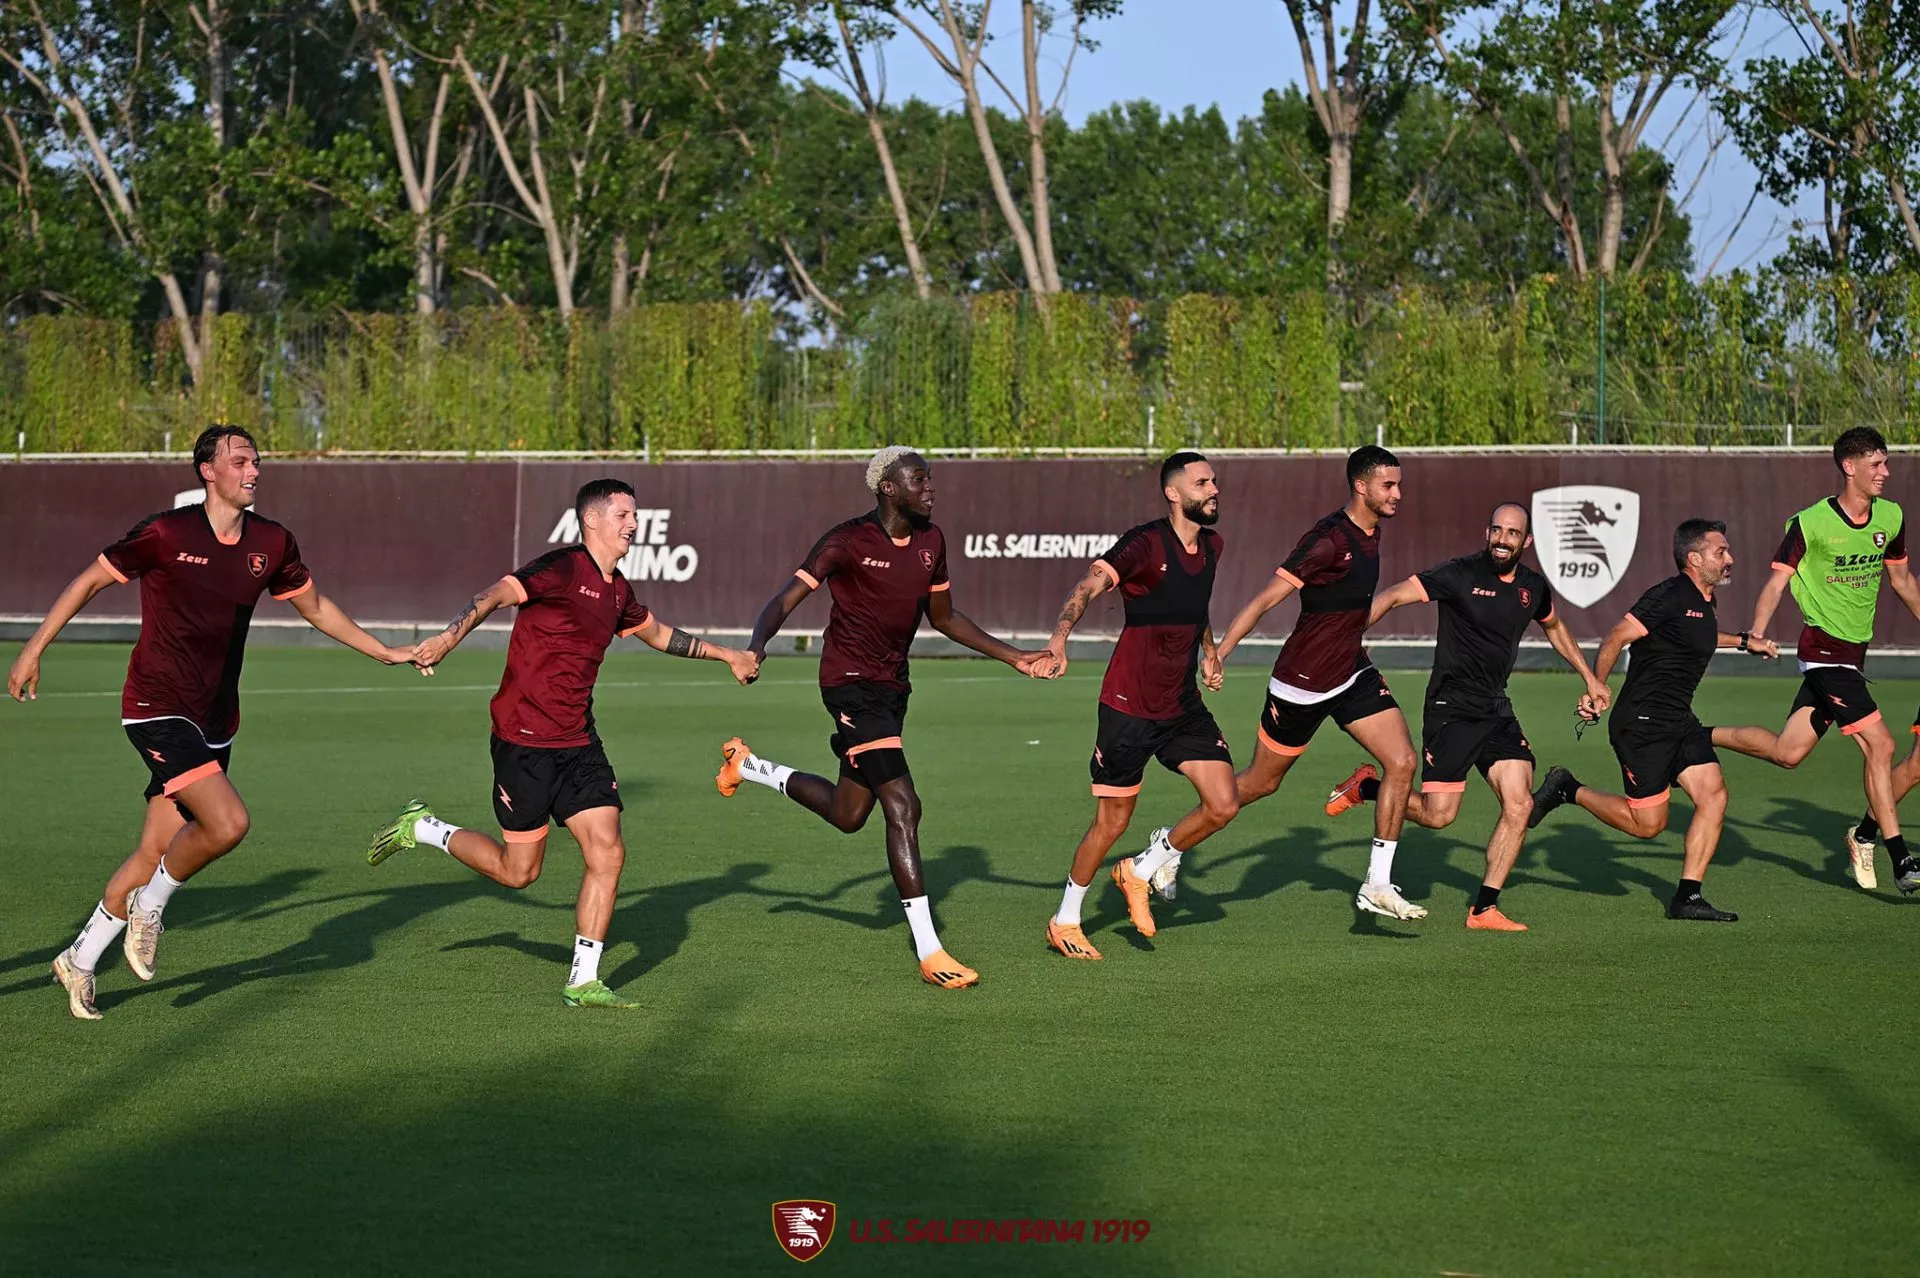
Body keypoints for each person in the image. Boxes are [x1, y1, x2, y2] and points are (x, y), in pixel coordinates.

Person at [6, 424, 415, 1020]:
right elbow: (91, 579)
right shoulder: (166, 533)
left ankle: (80, 958)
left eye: (257, 462)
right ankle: (152, 906)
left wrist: (386, 652)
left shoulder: (273, 542)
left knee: (153, 851)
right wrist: (32, 649)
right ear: (208, 470)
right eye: (241, 460)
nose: (254, 471)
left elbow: (316, 607)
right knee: (227, 823)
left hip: (215, 718)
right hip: (155, 706)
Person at [364, 479, 758, 1008]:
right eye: (623, 515)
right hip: (523, 741)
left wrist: (727, 655)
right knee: (518, 872)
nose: (633, 525)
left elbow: (660, 633)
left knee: (608, 851)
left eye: (634, 516)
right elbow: (496, 594)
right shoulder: (563, 567)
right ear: (592, 520)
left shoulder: (618, 589)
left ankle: (583, 980)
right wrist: (446, 638)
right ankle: (426, 827)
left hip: (578, 743)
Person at [715, 447, 1055, 990]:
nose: (930, 487)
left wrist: (1015, 657)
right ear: (887, 487)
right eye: (919, 479)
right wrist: (755, 646)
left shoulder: (932, 541)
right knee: (904, 805)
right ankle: (930, 949)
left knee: (850, 814)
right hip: (848, 685)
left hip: (893, 690)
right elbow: (785, 598)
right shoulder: (846, 541)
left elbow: (944, 617)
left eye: (930, 478)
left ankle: (750, 767)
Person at [1160, 445, 1427, 921]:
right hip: (1301, 684)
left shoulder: (1372, 531)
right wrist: (1218, 653)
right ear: (1361, 486)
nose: (1398, 494)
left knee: (1402, 761)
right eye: (1389, 485)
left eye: (1399, 485)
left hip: (1352, 672)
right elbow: (1266, 601)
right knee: (1261, 784)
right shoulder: (1326, 540)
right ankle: (1167, 847)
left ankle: (1377, 883)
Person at [1357, 503, 1612, 930]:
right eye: (1496, 530)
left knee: (1520, 803)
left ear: (1525, 542)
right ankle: (1369, 788)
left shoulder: (1533, 586)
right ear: (1486, 532)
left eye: (1512, 533)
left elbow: (1553, 626)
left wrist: (1589, 676)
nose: (1502, 539)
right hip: (1451, 708)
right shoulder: (1460, 573)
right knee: (1439, 816)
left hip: (1495, 707)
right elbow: (1398, 594)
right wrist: (1350, 632)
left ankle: (1484, 909)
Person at [1529, 519, 1780, 921]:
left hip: (1678, 720)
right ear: (1694, 559)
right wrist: (1597, 685)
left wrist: (1745, 642)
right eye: (1721, 552)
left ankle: (1688, 898)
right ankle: (1567, 789)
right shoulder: (1669, 595)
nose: (1730, 558)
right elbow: (1616, 637)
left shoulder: (1705, 601)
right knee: (1647, 825)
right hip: (1641, 723)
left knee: (1713, 795)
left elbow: (1700, 634)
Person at [1035, 451, 1235, 956]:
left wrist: (1209, 653)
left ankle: (1142, 868)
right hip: (1128, 705)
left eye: (1215, 481)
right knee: (1112, 822)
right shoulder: (1144, 543)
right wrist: (1059, 640)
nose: (1214, 489)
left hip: (1182, 703)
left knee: (1224, 803)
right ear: (1174, 493)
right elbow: (1087, 586)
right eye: (1203, 482)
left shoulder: (1213, 545)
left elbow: (1198, 605)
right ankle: (1066, 919)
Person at [1706, 427, 1920, 893]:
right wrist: (1757, 632)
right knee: (1880, 746)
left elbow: (1902, 581)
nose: (1886, 472)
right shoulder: (1809, 524)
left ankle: (1700, 734)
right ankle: (1899, 858)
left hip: (1853, 656)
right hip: (1823, 654)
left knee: (1789, 753)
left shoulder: (1891, 515)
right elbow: (1777, 582)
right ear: (1850, 467)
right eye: (1876, 464)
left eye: (1886, 463)